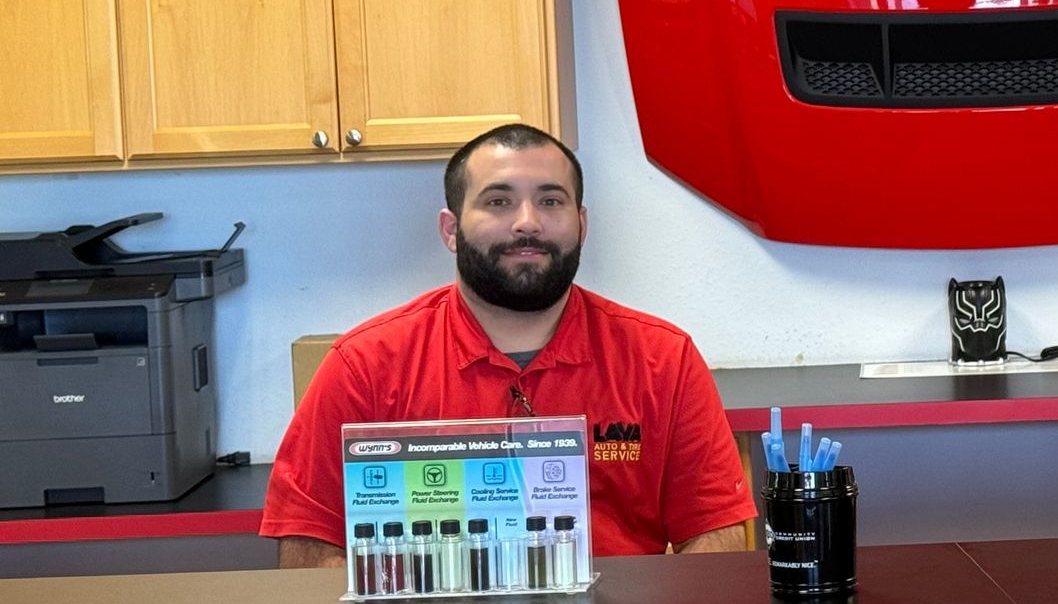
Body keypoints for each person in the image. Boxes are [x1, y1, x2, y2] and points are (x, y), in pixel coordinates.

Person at [262, 124, 756, 566]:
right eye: (498, 201)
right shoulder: (364, 366)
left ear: (581, 225)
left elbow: (714, 537)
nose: (528, 222)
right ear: (451, 230)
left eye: (550, 200)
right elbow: (311, 542)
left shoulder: (663, 361)